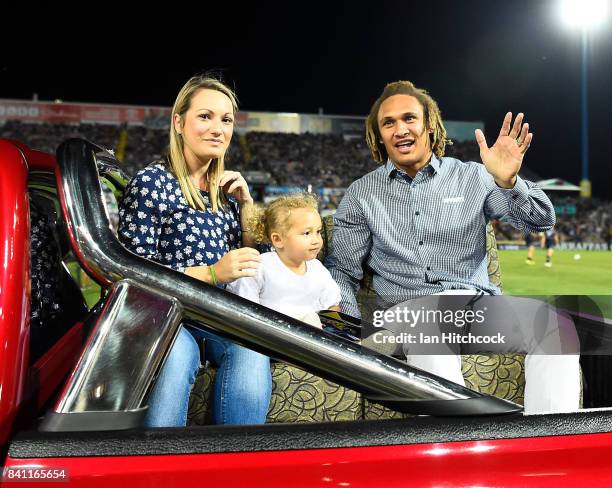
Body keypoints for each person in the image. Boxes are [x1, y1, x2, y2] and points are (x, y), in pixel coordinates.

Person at [327, 80, 580, 414]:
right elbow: (343, 271)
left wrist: (509, 182)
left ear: (429, 126)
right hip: (408, 312)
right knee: (429, 327)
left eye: (409, 118)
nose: (400, 129)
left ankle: (547, 451)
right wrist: (346, 331)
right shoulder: (362, 194)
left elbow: (541, 221)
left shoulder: (472, 176)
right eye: (388, 123)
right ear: (379, 135)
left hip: (476, 308)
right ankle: (460, 454)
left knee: (555, 325)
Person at [118, 74, 271, 427]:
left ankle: (239, 470)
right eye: (205, 116)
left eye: (226, 119)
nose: (218, 128)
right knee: (175, 359)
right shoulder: (151, 182)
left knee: (252, 353)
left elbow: (252, 261)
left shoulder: (226, 190)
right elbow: (132, 275)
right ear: (179, 122)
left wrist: (246, 203)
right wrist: (213, 273)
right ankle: (161, 472)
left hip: (219, 314)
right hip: (166, 315)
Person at [227, 193, 341, 327]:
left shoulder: (318, 270)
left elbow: (332, 306)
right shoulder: (258, 267)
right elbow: (244, 311)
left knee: (369, 339)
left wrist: (335, 330)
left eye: (318, 231)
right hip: (274, 336)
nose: (316, 240)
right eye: (307, 233)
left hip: (316, 337)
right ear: (278, 240)